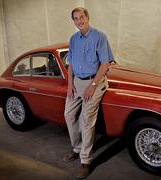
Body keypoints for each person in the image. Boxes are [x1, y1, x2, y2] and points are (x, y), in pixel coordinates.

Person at [63, 7, 114, 179]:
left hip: (95, 81)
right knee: (69, 115)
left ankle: (85, 161)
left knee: (86, 120)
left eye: (81, 17)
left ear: (88, 17)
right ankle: (77, 148)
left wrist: (93, 85)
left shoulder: (99, 37)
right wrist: (70, 84)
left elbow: (105, 64)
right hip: (77, 82)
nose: (79, 21)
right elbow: (70, 64)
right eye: (75, 19)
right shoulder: (73, 39)